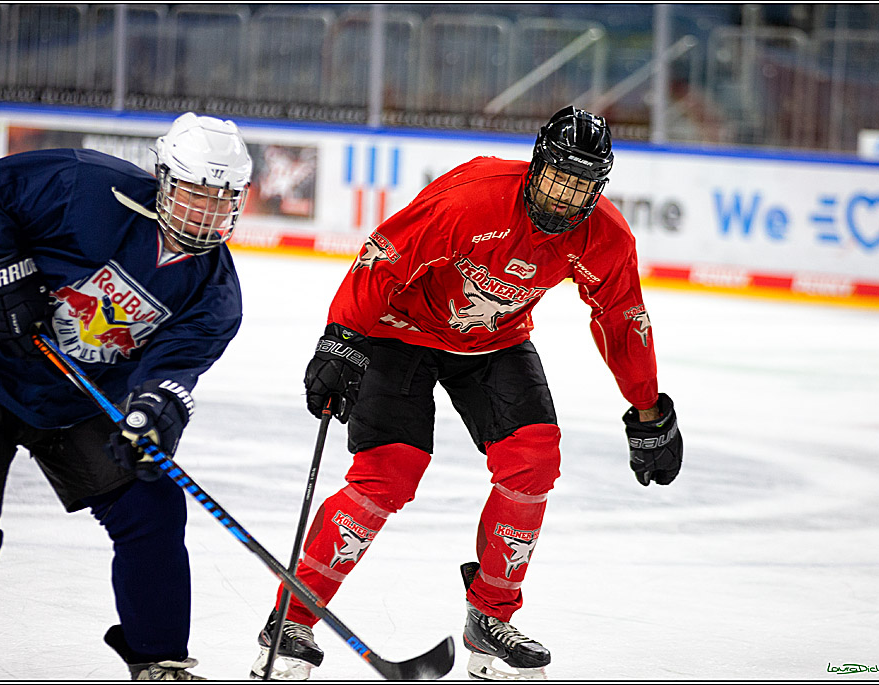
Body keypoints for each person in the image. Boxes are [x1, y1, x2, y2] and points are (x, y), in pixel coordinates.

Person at [250, 106, 683, 681]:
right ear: (536, 167)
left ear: (598, 189)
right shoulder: (471, 200)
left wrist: (649, 407)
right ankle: (293, 619)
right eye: (558, 179)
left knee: (533, 459)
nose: (563, 199)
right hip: (399, 331)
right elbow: (383, 259)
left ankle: (491, 616)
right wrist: (342, 339)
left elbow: (623, 316)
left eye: (580, 188)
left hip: (493, 341)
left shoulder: (603, 235)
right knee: (388, 474)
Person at [0, 112, 253, 680]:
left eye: (221, 200)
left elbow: (173, 371)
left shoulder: (215, 293)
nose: (205, 214)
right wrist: (4, 271)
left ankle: (158, 661)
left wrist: (153, 414)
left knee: (150, 509)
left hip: (78, 402)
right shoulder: (84, 185)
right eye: (195, 194)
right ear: (163, 179)